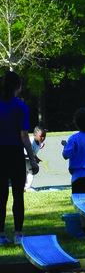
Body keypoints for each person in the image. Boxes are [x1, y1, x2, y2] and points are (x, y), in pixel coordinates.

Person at [0, 70, 39, 245]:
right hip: (14, 152)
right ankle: (18, 233)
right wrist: (32, 158)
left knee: (1, 195)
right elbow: (24, 135)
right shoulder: (21, 106)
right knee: (18, 194)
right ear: (18, 87)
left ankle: (0, 234)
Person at [61, 107, 85, 237]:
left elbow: (66, 155)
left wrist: (65, 145)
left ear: (76, 123)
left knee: (82, 204)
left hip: (79, 175)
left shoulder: (74, 138)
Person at [26, 124, 46, 190]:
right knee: (30, 172)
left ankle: (26, 187)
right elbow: (28, 151)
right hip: (24, 158)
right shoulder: (31, 141)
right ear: (35, 134)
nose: (43, 138)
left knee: (30, 172)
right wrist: (34, 159)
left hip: (30, 159)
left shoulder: (39, 142)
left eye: (44, 136)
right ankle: (27, 187)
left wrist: (36, 158)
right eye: (41, 136)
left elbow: (33, 152)